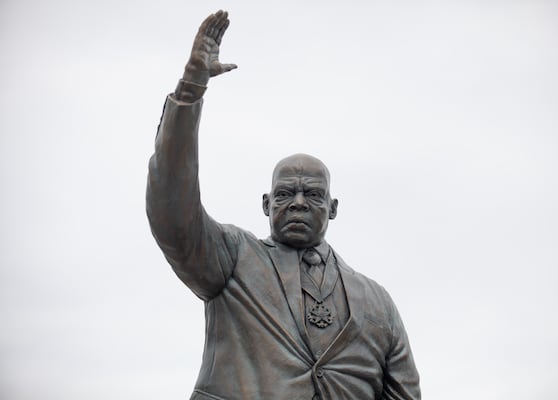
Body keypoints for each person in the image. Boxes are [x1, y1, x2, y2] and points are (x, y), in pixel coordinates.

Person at [146, 10, 420, 400]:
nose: (297, 203)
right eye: (284, 193)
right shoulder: (233, 259)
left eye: (312, 195)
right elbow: (173, 211)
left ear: (333, 208)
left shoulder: (377, 302)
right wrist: (190, 89)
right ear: (265, 204)